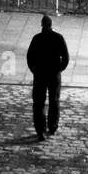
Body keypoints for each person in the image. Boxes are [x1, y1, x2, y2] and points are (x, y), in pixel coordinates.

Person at [26, 13, 70, 142]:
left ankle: (40, 130)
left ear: (42, 25)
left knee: (38, 103)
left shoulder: (37, 38)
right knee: (54, 101)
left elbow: (30, 57)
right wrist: (59, 69)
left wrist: (34, 70)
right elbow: (66, 58)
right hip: (53, 74)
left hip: (40, 74)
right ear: (51, 25)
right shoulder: (58, 38)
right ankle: (52, 126)